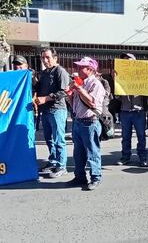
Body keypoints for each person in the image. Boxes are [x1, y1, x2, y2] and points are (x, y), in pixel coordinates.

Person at [67, 56, 106, 190]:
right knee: (78, 153)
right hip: (79, 121)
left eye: (81, 67)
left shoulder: (96, 84)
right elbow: (74, 105)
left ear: (90, 69)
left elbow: (92, 102)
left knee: (92, 151)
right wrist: (70, 94)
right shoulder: (81, 82)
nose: (77, 69)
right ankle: (80, 177)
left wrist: (78, 89)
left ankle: (96, 176)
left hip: (90, 122)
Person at [35, 48, 71, 178]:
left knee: (58, 139)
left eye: (48, 57)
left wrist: (46, 98)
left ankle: (62, 166)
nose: (45, 60)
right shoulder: (43, 73)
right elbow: (38, 89)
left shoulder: (60, 71)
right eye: (43, 57)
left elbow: (63, 92)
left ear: (55, 58)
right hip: (45, 111)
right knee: (49, 139)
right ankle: (53, 161)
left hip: (57, 110)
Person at [117, 53, 148, 167]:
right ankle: (125, 157)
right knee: (125, 136)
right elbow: (112, 92)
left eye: (129, 60)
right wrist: (113, 78)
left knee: (141, 136)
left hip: (139, 111)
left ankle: (143, 158)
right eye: (124, 61)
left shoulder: (142, 76)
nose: (126, 62)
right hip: (125, 110)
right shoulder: (118, 75)